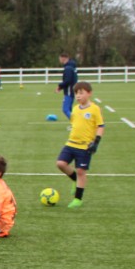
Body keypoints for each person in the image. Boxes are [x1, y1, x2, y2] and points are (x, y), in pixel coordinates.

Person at [55, 81, 104, 209]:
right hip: (71, 143)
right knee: (60, 163)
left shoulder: (94, 109)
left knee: (81, 171)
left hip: (84, 146)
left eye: (81, 93)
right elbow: (75, 124)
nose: (78, 96)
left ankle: (78, 199)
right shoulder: (75, 109)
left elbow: (100, 126)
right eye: (76, 93)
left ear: (89, 93)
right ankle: (74, 179)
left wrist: (96, 142)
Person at [56, 54, 78, 118]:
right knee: (70, 109)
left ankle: (76, 123)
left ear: (63, 58)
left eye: (60, 58)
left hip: (69, 90)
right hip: (72, 89)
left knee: (65, 109)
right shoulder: (72, 66)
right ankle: (74, 125)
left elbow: (68, 80)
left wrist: (60, 86)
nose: (59, 60)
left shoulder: (68, 68)